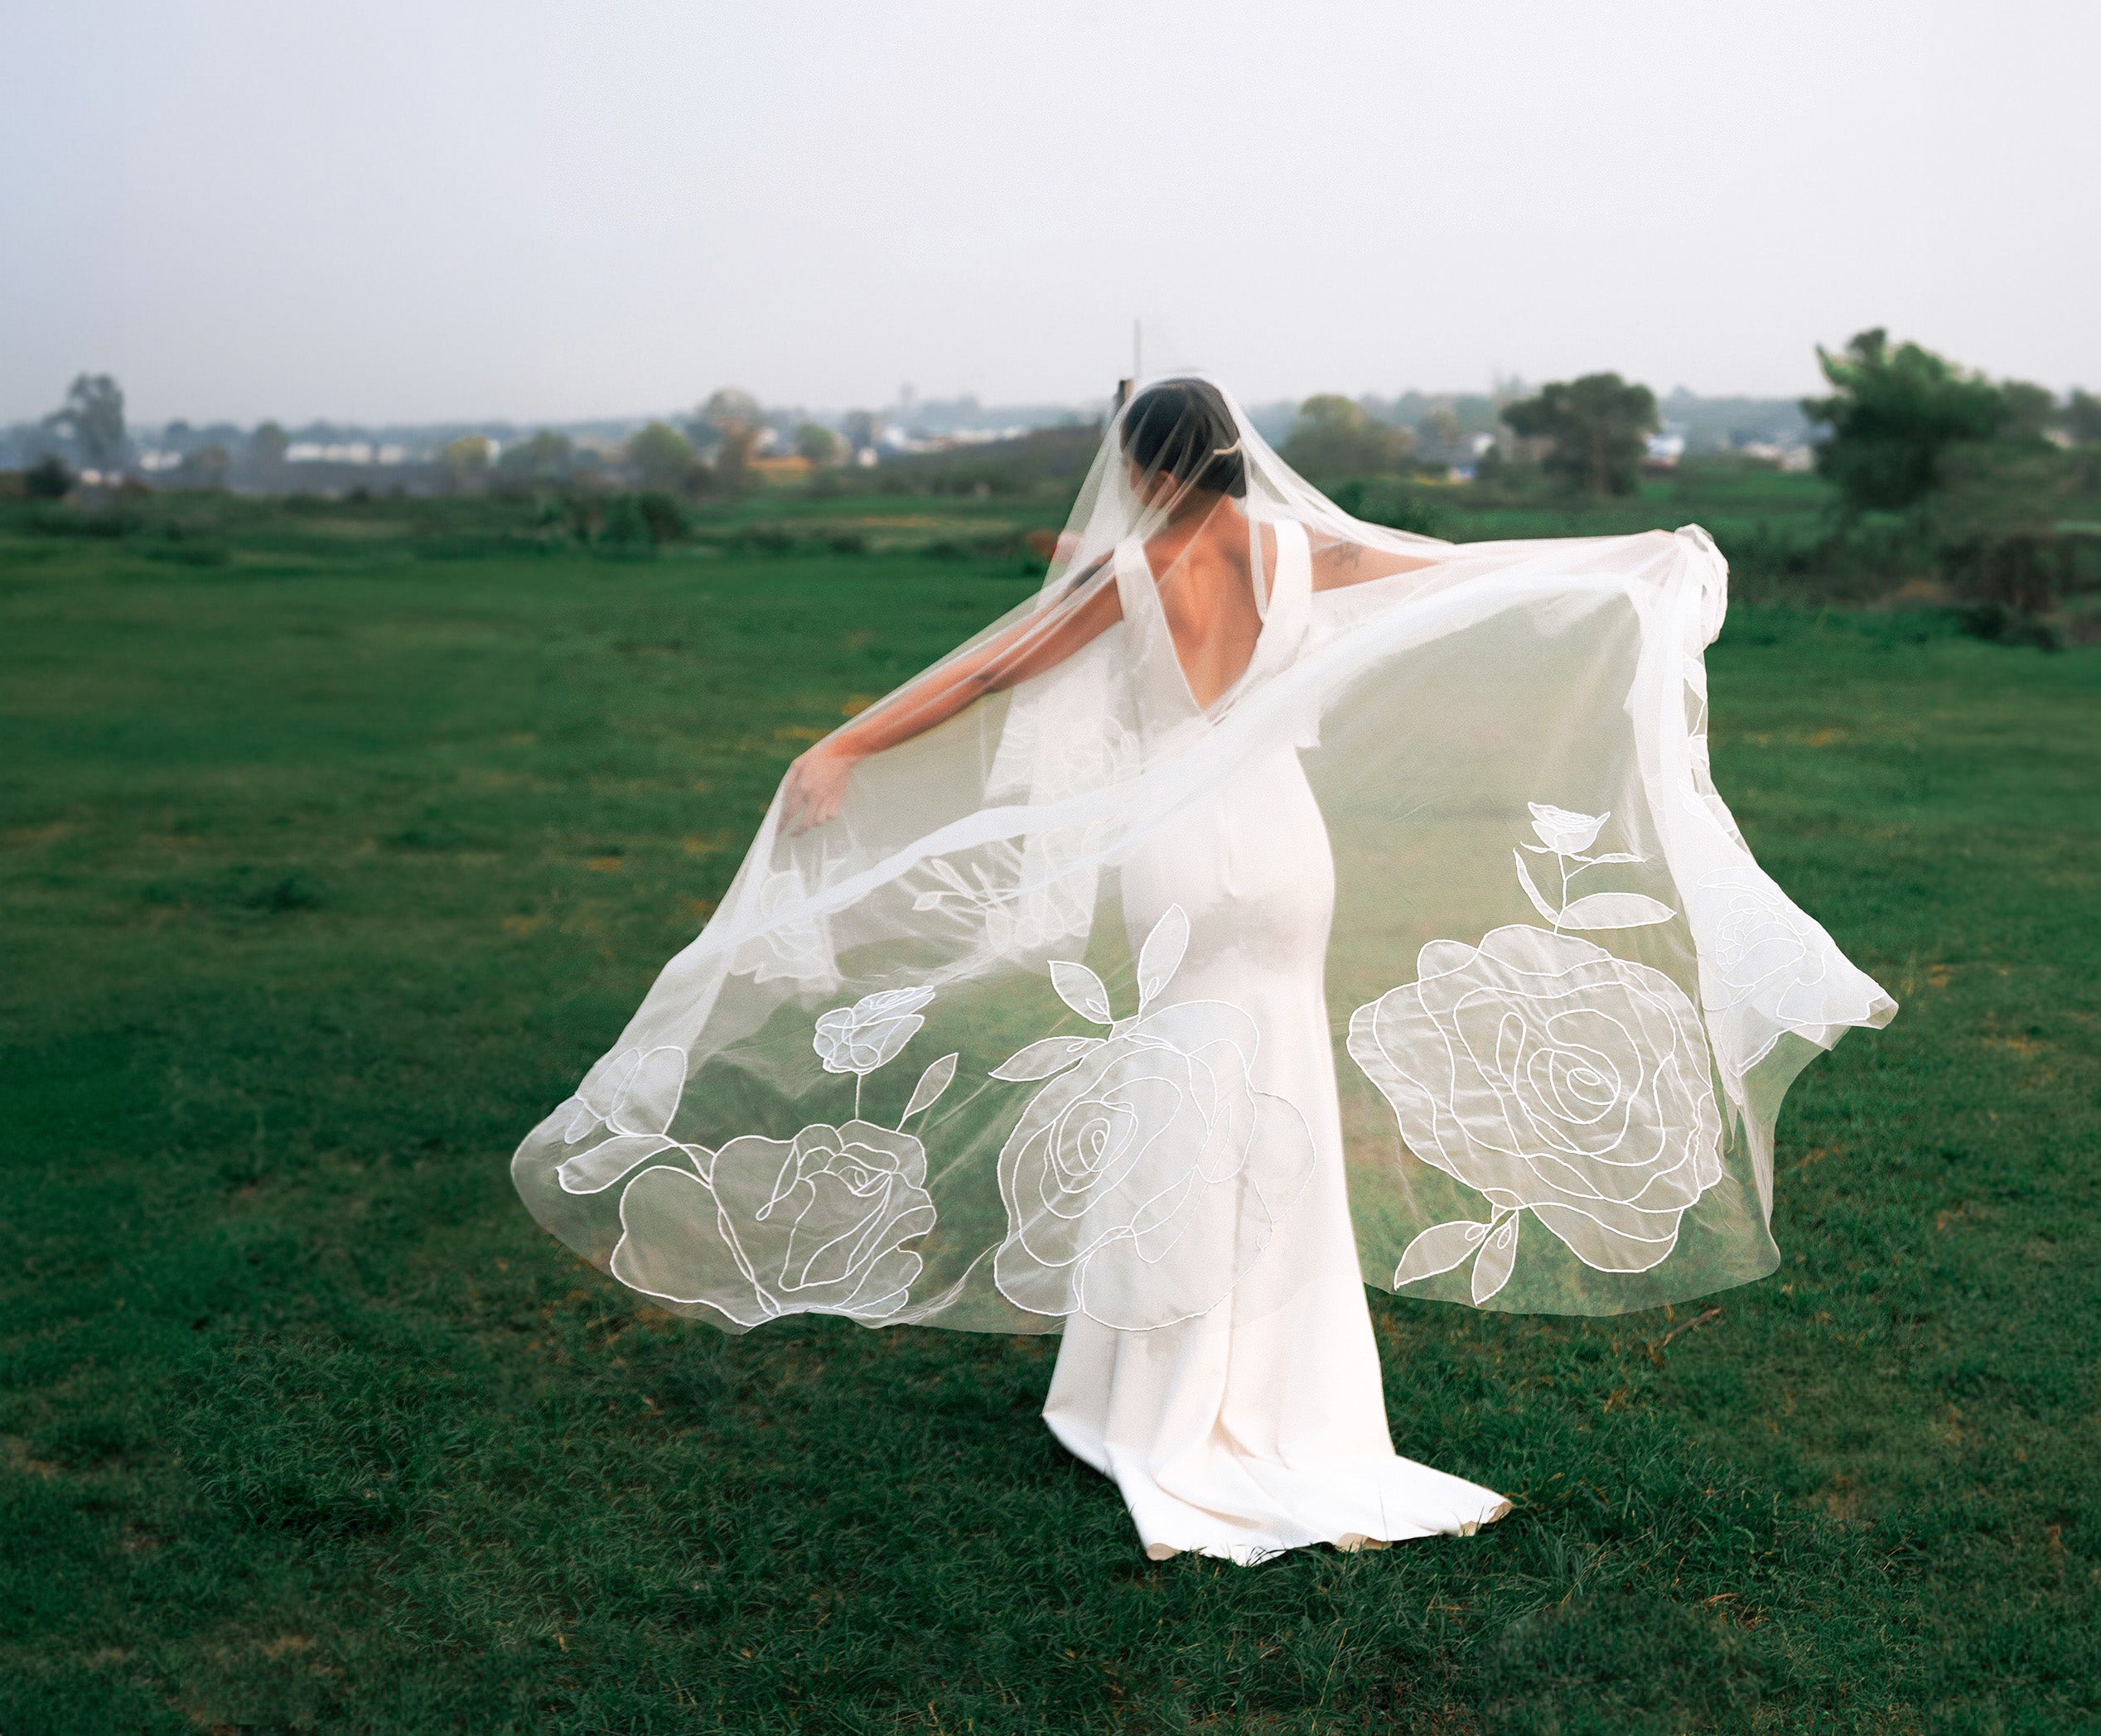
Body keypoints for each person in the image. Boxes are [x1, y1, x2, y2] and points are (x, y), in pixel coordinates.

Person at [513, 375, 1896, 1565]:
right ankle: (1291, 1398)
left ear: (1139, 467)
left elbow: (987, 675)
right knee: (1278, 1079)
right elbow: (1465, 570)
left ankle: (1160, 1392)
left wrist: (843, 746)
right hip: (1285, 850)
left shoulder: (1125, 575)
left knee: (1181, 1092)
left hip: (1178, 847)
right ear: (1236, 455)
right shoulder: (1302, 549)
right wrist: (1634, 560)